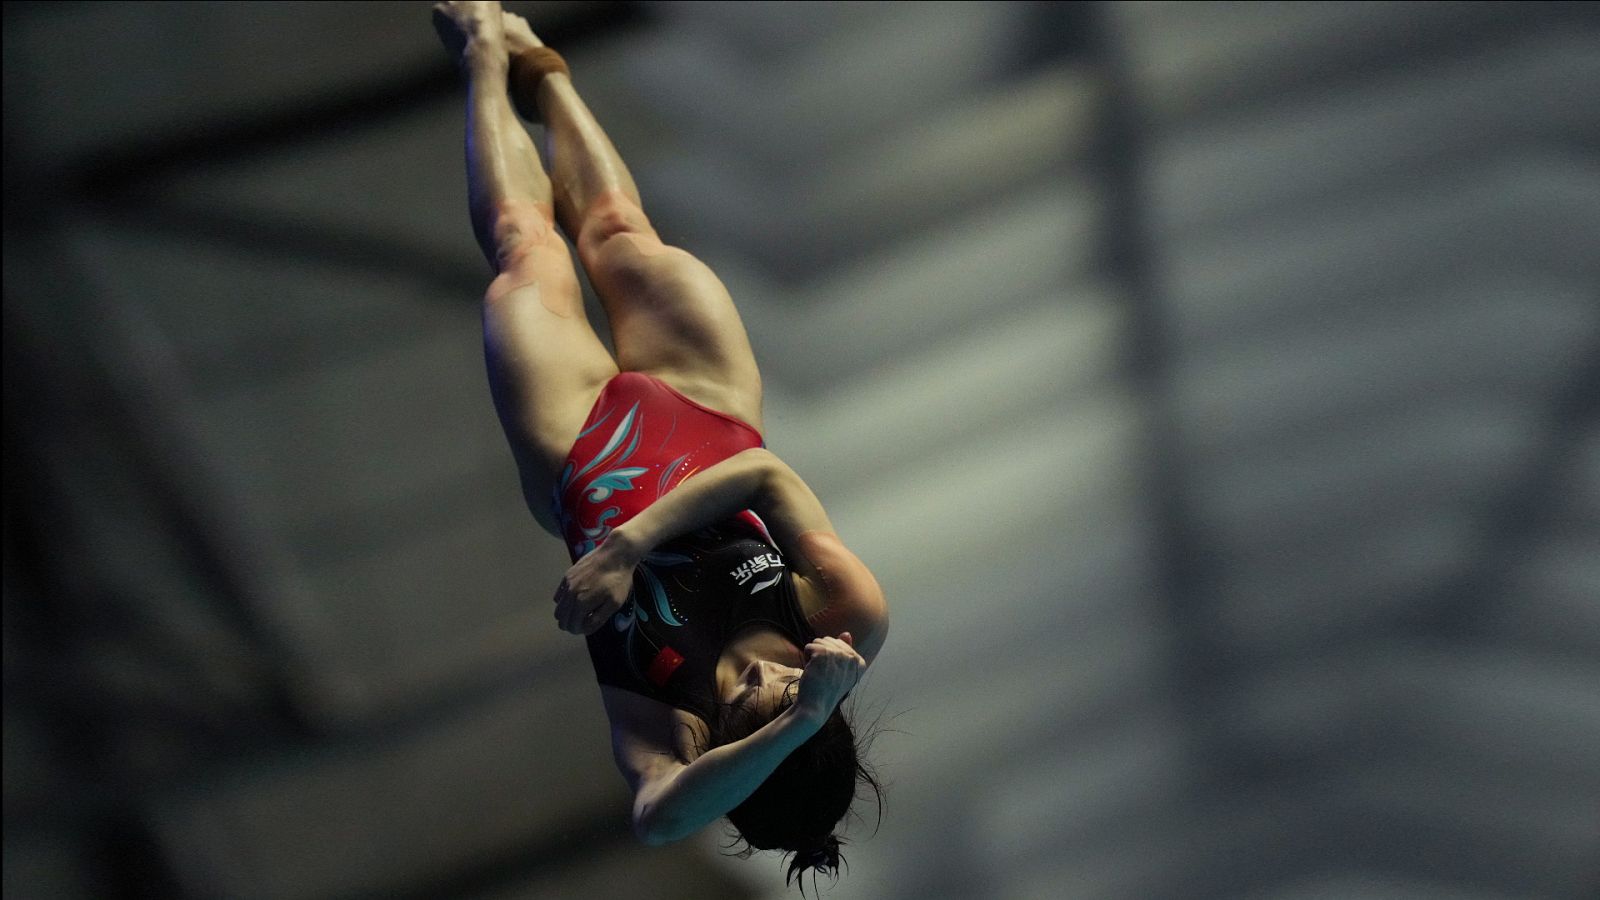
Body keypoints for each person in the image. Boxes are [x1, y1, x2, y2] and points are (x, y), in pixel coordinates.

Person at [431, 2, 890, 889]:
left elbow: (656, 820)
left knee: (529, 253)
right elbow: (762, 472)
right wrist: (630, 550)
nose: (774, 683)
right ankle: (545, 70)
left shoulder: (667, 734)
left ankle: (485, 54)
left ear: (735, 751)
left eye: (763, 714)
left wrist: (793, 727)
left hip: (583, 459)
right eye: (796, 697)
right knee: (619, 234)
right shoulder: (847, 621)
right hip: (708, 412)